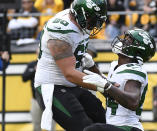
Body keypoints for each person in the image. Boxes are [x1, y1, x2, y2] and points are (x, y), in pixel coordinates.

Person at [34, 0, 107, 131]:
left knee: (104, 120)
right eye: (93, 19)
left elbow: (79, 57)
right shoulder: (61, 29)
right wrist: (106, 87)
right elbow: (69, 73)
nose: (95, 24)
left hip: (72, 86)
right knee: (85, 128)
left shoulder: (79, 20)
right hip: (52, 87)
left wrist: (101, 77)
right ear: (81, 14)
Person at [82, 28, 156, 131]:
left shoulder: (134, 70)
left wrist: (106, 86)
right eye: (125, 38)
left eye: (128, 40)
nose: (123, 41)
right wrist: (92, 66)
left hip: (127, 127)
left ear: (138, 50)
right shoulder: (115, 65)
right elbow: (111, 91)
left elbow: (133, 102)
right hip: (112, 123)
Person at [22, 49, 55, 131]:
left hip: (49, 100)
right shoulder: (32, 64)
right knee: (36, 124)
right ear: (36, 53)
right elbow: (24, 78)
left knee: (51, 125)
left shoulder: (51, 64)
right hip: (35, 100)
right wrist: (34, 70)